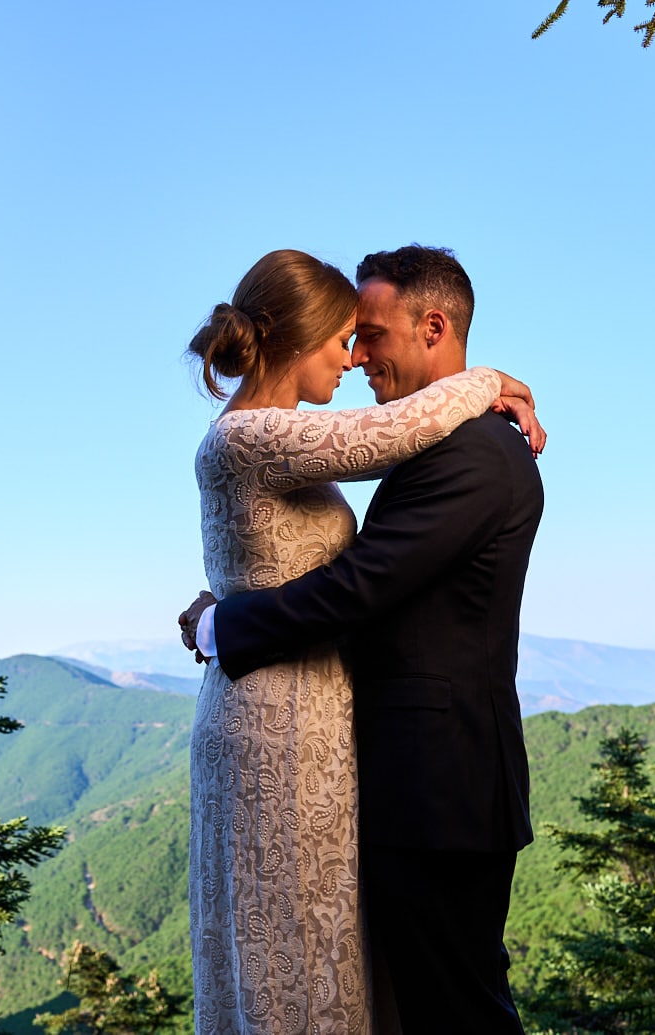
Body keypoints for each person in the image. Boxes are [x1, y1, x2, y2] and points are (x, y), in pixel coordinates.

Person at [182, 245, 545, 1034]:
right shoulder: (277, 437)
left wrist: (223, 621)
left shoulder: (476, 453)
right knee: (372, 984)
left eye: (370, 333)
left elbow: (361, 585)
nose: (358, 356)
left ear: (435, 326)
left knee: (452, 1008)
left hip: (438, 787)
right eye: (348, 337)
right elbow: (370, 469)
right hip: (336, 750)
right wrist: (490, 381)